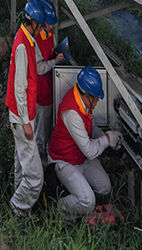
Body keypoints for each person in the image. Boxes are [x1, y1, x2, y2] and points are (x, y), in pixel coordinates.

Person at [47, 66, 122, 220]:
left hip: (80, 157)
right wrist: (107, 139)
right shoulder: (71, 112)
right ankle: (56, 210)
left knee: (105, 187)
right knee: (88, 201)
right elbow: (89, 150)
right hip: (64, 161)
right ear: (88, 95)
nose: (97, 103)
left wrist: (101, 135)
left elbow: (90, 126)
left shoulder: (83, 101)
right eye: (96, 98)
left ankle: (78, 204)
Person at [5, 0, 52, 217]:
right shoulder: (24, 45)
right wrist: (26, 122)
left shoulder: (24, 38)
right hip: (22, 116)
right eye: (41, 25)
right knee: (35, 177)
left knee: (21, 165)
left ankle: (17, 201)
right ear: (33, 23)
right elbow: (20, 86)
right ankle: (17, 209)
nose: (42, 29)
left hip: (21, 114)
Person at [33, 0, 63, 165]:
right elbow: (38, 68)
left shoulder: (49, 33)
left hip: (51, 88)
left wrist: (58, 56)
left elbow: (50, 52)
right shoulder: (35, 39)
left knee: (48, 127)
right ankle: (40, 165)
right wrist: (54, 62)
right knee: (40, 131)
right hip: (41, 90)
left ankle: (47, 157)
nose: (51, 27)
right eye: (48, 23)